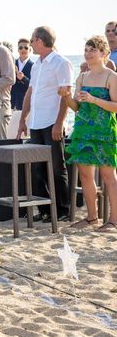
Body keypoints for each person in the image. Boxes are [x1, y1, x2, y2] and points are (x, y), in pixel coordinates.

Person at [16, 27, 74, 222]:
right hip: (35, 122)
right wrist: (23, 119)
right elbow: (30, 93)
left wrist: (59, 123)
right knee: (38, 169)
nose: (31, 44)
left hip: (52, 122)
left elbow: (66, 97)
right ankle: (46, 210)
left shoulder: (61, 63)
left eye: (32, 41)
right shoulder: (36, 65)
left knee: (58, 168)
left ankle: (63, 210)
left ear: (40, 41)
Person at [61, 35, 117, 232]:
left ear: (103, 53)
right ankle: (92, 218)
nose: (88, 53)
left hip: (104, 132)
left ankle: (113, 220)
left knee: (108, 175)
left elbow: (116, 107)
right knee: (85, 175)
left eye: (92, 50)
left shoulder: (111, 76)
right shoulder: (81, 77)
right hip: (83, 131)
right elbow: (77, 107)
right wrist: (67, 98)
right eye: (86, 50)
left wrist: (94, 100)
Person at [10, 38, 33, 111]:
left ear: (30, 50)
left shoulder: (34, 66)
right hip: (11, 103)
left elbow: (34, 85)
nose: (23, 49)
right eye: (20, 47)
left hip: (26, 105)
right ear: (18, 50)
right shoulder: (11, 64)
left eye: (26, 48)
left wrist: (23, 78)